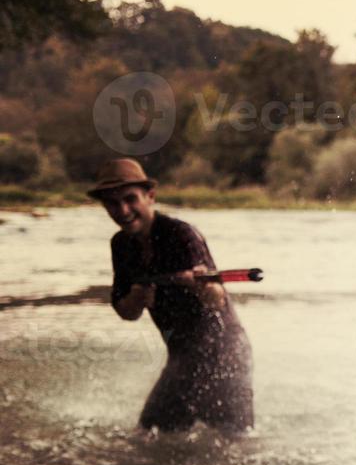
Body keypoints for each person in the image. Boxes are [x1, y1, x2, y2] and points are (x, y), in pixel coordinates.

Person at [94, 159, 254, 433]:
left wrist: (201, 285)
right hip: (181, 355)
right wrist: (137, 296)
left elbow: (216, 300)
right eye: (112, 203)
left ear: (150, 197)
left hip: (224, 352)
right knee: (154, 434)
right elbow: (127, 313)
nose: (123, 210)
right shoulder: (120, 245)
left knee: (234, 441)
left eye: (130, 199)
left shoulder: (181, 234)